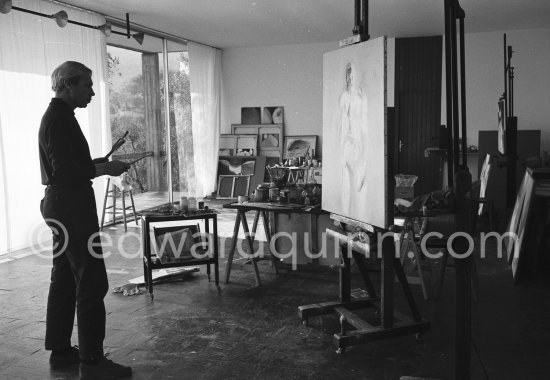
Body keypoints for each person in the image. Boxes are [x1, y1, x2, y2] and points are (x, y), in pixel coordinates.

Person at [38, 61, 132, 378]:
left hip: (62, 204)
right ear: (67, 85)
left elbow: (66, 166)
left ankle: (61, 352)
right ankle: (93, 362)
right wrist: (105, 169)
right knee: (92, 280)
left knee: (64, 278)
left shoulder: (60, 117)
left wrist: (95, 164)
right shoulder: (60, 121)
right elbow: (66, 172)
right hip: (70, 206)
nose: (91, 91)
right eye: (87, 85)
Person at [338, 62, 367, 213]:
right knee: (347, 178)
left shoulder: (359, 95)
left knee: (359, 179)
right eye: (348, 76)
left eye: (352, 76)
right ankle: (347, 211)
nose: (350, 79)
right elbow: (343, 121)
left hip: (357, 138)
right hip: (347, 140)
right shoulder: (344, 96)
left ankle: (359, 211)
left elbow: (361, 119)